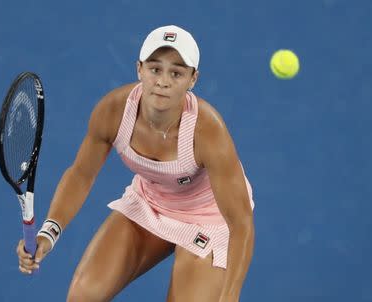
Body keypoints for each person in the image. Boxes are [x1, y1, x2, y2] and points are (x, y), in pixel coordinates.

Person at [17, 25, 255, 302]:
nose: (163, 81)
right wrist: (48, 233)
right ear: (139, 69)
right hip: (149, 204)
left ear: (193, 79)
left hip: (208, 220)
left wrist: (230, 294)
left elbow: (240, 222)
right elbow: (81, 174)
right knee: (82, 296)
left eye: (176, 73)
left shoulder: (208, 131)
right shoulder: (113, 111)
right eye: (155, 69)